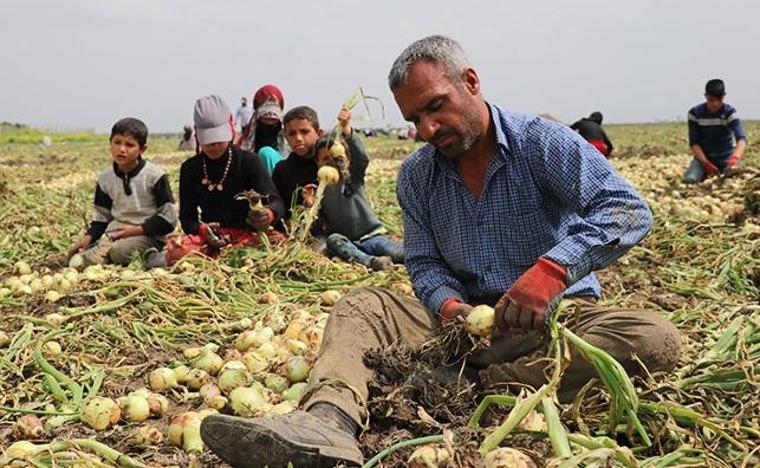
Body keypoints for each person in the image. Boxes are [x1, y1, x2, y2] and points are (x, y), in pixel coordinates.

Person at [199, 35, 682, 467]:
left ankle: (478, 386)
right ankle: (327, 421)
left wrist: (554, 270)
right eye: (415, 119)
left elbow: (627, 209)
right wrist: (450, 306)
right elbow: (426, 264)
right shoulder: (418, 175)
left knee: (653, 338)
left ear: (470, 82)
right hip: (461, 330)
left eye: (436, 107)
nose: (428, 128)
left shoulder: (542, 143)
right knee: (364, 305)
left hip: (553, 323)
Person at [168, 95, 285, 264]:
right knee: (177, 252)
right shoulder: (190, 168)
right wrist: (202, 229)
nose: (215, 146)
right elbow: (187, 218)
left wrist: (268, 214)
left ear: (230, 129)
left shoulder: (248, 161)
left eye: (219, 140)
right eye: (209, 141)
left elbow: (276, 201)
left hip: (249, 235)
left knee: (274, 246)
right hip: (213, 237)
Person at [68, 118, 177, 267]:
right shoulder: (105, 178)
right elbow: (102, 217)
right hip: (115, 235)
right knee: (82, 261)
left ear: (142, 149)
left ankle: (155, 256)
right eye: (117, 142)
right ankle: (106, 251)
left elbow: (169, 219)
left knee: (119, 252)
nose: (122, 149)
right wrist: (89, 237)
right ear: (110, 143)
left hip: (148, 234)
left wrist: (135, 230)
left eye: (129, 145)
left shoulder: (154, 176)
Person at [306, 107, 404, 271]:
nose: (331, 162)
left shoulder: (353, 177)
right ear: (317, 163)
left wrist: (347, 130)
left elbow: (361, 158)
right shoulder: (319, 191)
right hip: (348, 242)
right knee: (334, 240)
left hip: (372, 237)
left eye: (337, 158)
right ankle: (372, 262)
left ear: (348, 160)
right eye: (325, 159)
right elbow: (319, 226)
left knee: (395, 252)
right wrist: (311, 206)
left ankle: (424, 258)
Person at [683, 79, 747, 184]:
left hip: (726, 158)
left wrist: (734, 159)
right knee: (690, 180)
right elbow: (694, 143)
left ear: (724, 97)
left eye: (719, 99)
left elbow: (741, 139)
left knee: (738, 180)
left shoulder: (729, 112)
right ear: (706, 96)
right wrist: (706, 164)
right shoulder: (695, 114)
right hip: (704, 158)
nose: (716, 104)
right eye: (712, 100)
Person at [271, 106, 322, 223]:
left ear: (319, 133)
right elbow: (279, 207)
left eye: (304, 132)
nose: (298, 138)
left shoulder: (329, 165)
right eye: (292, 134)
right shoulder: (283, 170)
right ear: (286, 137)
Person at [237, 85, 289, 157]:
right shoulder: (245, 145)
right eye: (265, 119)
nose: (269, 124)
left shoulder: (290, 141)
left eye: (274, 120)